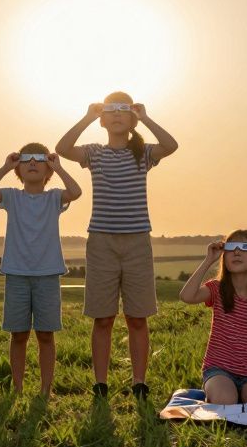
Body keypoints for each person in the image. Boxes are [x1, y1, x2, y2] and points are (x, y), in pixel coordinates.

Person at [56, 92, 178, 399]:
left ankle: (139, 382)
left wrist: (146, 116)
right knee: (104, 317)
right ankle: (101, 383)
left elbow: (171, 145)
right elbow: (62, 148)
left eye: (125, 110)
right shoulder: (95, 153)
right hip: (101, 242)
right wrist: (87, 115)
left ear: (133, 117)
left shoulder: (144, 152)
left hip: (137, 242)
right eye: (111, 110)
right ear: (102, 119)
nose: (118, 115)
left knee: (137, 317)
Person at [0, 143, 82, 397]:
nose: (32, 163)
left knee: (46, 335)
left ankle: (46, 389)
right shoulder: (12, 196)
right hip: (16, 275)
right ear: (18, 169)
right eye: (26, 159)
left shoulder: (54, 197)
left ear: (48, 170)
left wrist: (59, 166)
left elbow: (76, 191)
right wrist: (5, 166)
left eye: (39, 159)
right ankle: (17, 388)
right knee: (19, 335)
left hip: (47, 275)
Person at [179, 231, 247, 404]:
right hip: (219, 370)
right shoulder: (217, 289)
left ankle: (243, 393)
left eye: (244, 247)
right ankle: (222, 392)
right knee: (225, 400)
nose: (236, 252)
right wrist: (208, 260)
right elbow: (187, 296)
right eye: (231, 247)